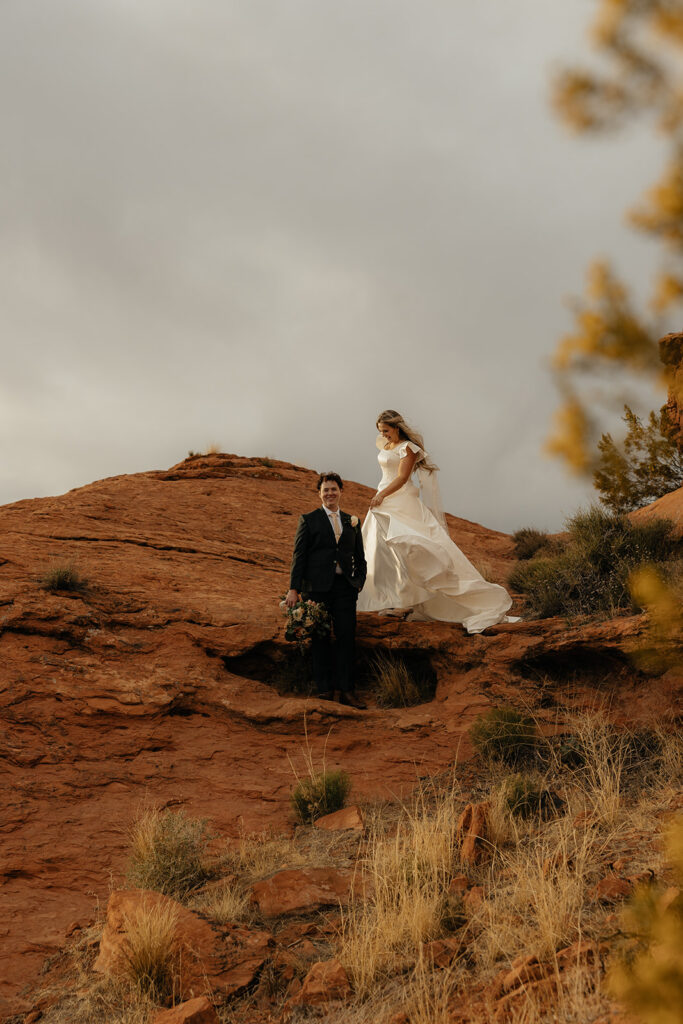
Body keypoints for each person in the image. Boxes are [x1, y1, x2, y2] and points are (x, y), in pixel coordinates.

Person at [357, 410, 519, 633]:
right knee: (382, 547)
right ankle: (391, 596)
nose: (383, 435)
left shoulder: (408, 448)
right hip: (383, 499)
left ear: (396, 427)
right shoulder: (386, 445)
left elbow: (403, 478)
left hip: (399, 500)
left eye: (386, 430)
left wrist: (382, 495)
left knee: (408, 545)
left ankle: (407, 600)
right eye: (380, 431)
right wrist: (380, 495)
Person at [286, 472, 367, 708]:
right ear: (319, 493)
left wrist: (359, 580)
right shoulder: (308, 519)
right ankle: (324, 690)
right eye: (325, 490)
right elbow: (298, 556)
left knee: (346, 638)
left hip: (345, 589)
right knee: (319, 639)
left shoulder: (353, 521)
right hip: (317, 591)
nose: (330, 493)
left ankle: (347, 691)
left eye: (334, 489)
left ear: (341, 491)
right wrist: (294, 588)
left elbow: (360, 556)